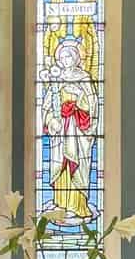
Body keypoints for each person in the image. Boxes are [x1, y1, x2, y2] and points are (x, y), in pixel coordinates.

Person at [42, 38, 98, 222]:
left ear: (76, 58)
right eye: (63, 57)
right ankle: (61, 203)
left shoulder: (84, 78)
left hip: (77, 130)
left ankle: (77, 206)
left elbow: (92, 104)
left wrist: (79, 97)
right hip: (60, 131)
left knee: (77, 163)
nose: (66, 60)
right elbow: (47, 105)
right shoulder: (56, 79)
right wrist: (51, 121)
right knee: (61, 164)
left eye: (70, 57)